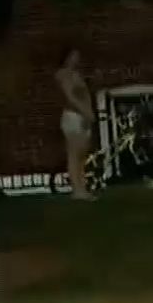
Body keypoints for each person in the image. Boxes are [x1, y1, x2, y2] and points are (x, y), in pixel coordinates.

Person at [54, 47, 95, 200]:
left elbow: (85, 95)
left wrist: (89, 113)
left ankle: (82, 187)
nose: (75, 59)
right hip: (72, 116)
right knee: (74, 153)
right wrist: (84, 111)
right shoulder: (63, 75)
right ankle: (77, 190)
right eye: (72, 56)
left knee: (82, 154)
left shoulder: (77, 74)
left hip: (83, 115)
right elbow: (70, 97)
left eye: (77, 56)